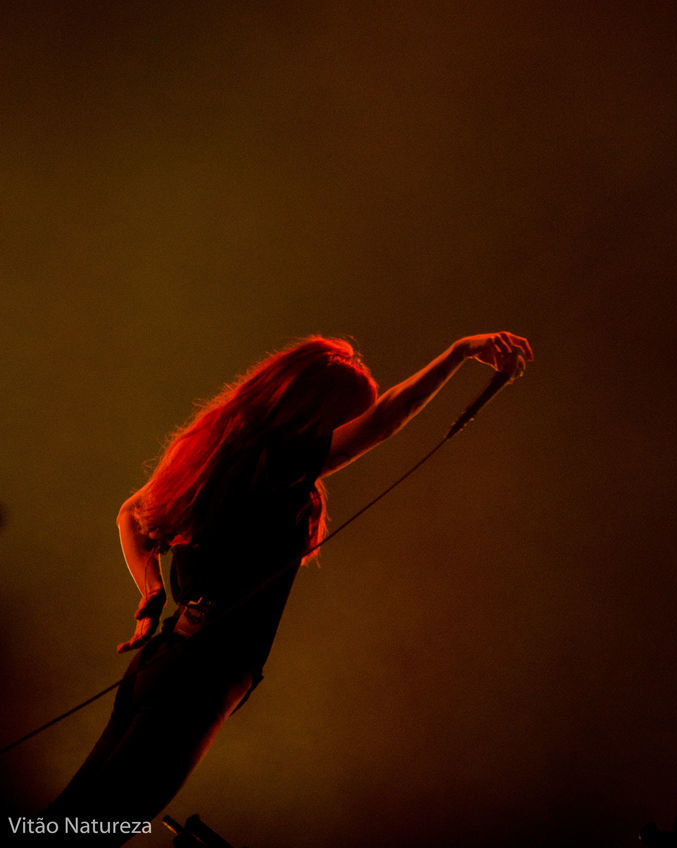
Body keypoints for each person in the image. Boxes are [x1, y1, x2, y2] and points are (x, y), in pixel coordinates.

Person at [46, 331, 532, 843]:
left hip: (161, 660)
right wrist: (456, 354)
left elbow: (129, 514)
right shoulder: (281, 460)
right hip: (202, 673)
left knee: (72, 817)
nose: (345, 431)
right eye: (343, 418)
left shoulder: (214, 445)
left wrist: (150, 591)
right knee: (95, 827)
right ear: (316, 411)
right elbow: (387, 419)